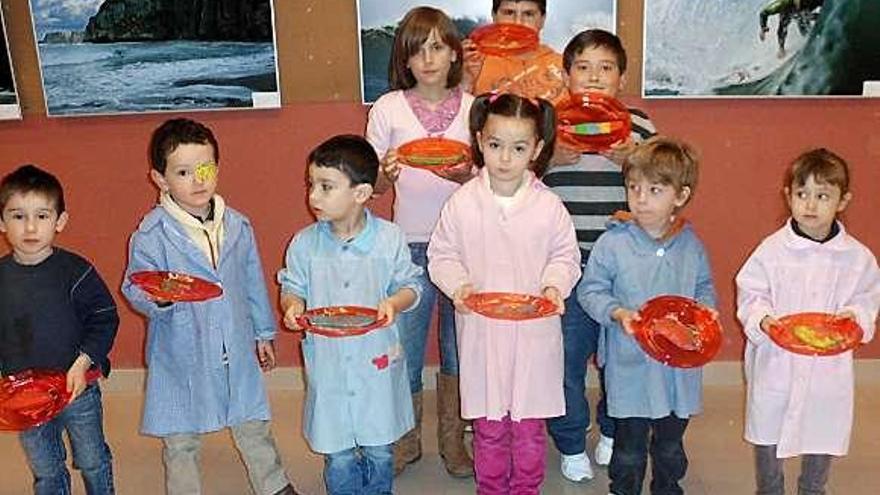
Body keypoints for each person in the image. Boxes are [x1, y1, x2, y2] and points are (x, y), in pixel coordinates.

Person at [121, 119, 298, 495]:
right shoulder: (152, 233)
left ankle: (274, 485)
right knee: (180, 437)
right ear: (160, 179)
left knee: (252, 421)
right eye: (183, 172)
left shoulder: (237, 225)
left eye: (205, 168)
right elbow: (135, 285)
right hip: (181, 349)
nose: (197, 180)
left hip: (233, 342)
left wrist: (263, 333)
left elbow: (252, 282)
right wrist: (160, 297)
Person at [428, 93, 581, 494]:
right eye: (495, 145)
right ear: (479, 141)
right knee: (489, 425)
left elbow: (566, 256)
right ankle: (492, 488)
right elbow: (442, 254)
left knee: (529, 428)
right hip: (482, 332)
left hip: (534, 333)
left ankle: (526, 489)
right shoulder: (462, 203)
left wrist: (554, 284)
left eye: (519, 148)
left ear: (538, 149)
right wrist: (458, 285)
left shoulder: (549, 206)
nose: (505, 158)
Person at [542, 29, 658, 483]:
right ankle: (571, 440)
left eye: (605, 68)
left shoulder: (641, 125)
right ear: (567, 75)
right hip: (564, 268)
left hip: (625, 269)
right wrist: (548, 158)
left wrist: (635, 160)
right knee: (565, 359)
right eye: (583, 68)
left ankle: (612, 429)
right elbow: (514, 183)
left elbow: (665, 188)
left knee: (622, 359)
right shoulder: (547, 122)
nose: (594, 77)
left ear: (621, 78)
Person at [278, 134, 422, 495]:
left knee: (380, 448)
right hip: (328, 363)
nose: (313, 196)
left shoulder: (389, 239)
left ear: (360, 193)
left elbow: (411, 286)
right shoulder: (303, 243)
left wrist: (394, 303)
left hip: (375, 360)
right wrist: (292, 307)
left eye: (326, 187)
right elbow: (291, 287)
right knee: (338, 452)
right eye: (311, 185)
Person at [365, 5, 475, 477]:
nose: (428, 58)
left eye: (437, 46)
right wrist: (384, 176)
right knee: (404, 349)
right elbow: (372, 188)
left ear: (454, 52)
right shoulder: (387, 108)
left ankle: (454, 442)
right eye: (417, 49)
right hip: (407, 247)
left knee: (459, 351)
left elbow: (493, 180)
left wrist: (466, 173)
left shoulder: (476, 109)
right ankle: (405, 441)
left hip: (468, 248)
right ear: (404, 59)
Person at [735, 148, 880, 495]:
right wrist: (764, 320)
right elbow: (751, 293)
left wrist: (855, 317)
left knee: (822, 428)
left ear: (843, 201)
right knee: (769, 429)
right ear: (788, 196)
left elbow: (867, 299)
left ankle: (813, 488)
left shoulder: (857, 258)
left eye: (822, 196)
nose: (810, 206)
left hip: (826, 369)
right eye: (802, 195)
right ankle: (769, 489)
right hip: (777, 361)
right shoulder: (771, 251)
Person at [579, 137, 715, 495]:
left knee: (670, 447)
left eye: (654, 190)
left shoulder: (691, 244)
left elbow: (703, 287)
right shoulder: (613, 242)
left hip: (677, 369)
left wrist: (705, 312)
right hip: (630, 365)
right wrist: (616, 312)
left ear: (680, 196)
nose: (640, 198)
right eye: (633, 187)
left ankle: (668, 488)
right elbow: (589, 290)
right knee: (629, 449)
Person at [0, 164, 119, 495]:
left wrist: (84, 361)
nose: (31, 227)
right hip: (25, 396)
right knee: (46, 467)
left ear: (60, 221)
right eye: (18, 216)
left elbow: (105, 316)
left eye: (42, 215)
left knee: (92, 458)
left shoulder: (75, 270)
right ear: (1, 223)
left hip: (77, 388)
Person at [462, 0, 567, 104]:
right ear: (494, 16)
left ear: (542, 20)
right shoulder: (472, 61)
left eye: (528, 14)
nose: (518, 22)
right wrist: (465, 81)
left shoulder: (565, 64)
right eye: (509, 13)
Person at [758, 0, 824, 58]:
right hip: (788, 11)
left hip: (803, 8)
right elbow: (763, 13)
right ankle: (781, 49)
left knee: (808, 14)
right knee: (786, 26)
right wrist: (763, 28)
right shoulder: (782, 3)